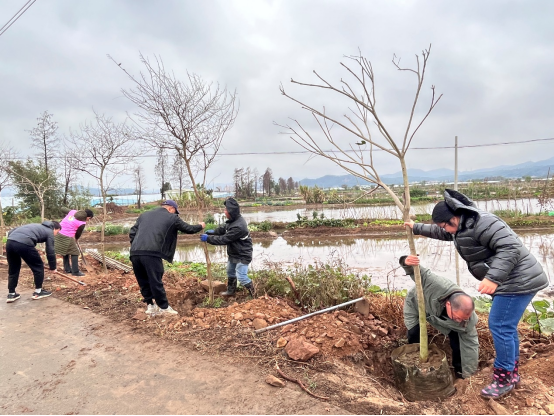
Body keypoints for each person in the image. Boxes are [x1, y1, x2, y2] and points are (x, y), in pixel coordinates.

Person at [405, 189, 548, 399]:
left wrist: (493, 279)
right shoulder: (461, 226)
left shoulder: (483, 223)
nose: (446, 230)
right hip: (512, 280)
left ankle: (503, 379)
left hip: (518, 280)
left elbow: (510, 248)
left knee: (499, 326)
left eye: (445, 225)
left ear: (454, 217)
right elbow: (444, 233)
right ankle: (512, 373)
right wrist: (416, 228)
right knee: (506, 327)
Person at [400, 254, 479, 380]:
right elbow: (417, 270)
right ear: (448, 304)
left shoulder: (466, 321)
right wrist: (406, 261)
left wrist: (468, 377)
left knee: (457, 339)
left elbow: (471, 347)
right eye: (457, 317)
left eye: (463, 319)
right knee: (414, 333)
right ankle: (414, 366)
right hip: (416, 302)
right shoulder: (435, 284)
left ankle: (459, 371)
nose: (460, 321)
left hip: (436, 313)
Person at [129, 200, 205, 316]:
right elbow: (188, 229)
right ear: (171, 209)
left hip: (134, 253)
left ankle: (150, 306)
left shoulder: (144, 215)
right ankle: (164, 307)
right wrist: (200, 226)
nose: (175, 214)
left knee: (143, 281)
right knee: (155, 280)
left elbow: (132, 232)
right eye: (175, 211)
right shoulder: (172, 217)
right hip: (152, 254)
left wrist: (137, 246)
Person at [201, 198, 254, 298]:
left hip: (243, 254)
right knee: (230, 271)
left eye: (226, 210)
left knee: (241, 277)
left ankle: (254, 294)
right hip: (234, 252)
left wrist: (209, 239)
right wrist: (214, 231)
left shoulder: (239, 226)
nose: (224, 212)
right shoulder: (233, 220)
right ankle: (231, 291)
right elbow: (224, 229)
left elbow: (224, 239)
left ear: (231, 212)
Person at [6, 220, 61, 303]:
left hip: (10, 242)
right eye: (58, 232)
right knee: (38, 266)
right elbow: (50, 251)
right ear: (55, 229)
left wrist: (16, 243)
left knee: (13, 268)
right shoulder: (50, 231)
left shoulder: (35, 226)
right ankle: (38, 292)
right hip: (24, 243)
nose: (56, 234)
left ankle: (11, 294)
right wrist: (53, 267)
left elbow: (11, 231)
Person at [55, 207, 94, 277]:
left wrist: (72, 212)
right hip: (66, 236)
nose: (88, 220)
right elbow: (78, 234)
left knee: (66, 251)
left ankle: (67, 269)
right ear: (87, 217)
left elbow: (62, 208)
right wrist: (76, 239)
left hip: (58, 233)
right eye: (89, 218)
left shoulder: (73, 212)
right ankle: (75, 271)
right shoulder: (82, 223)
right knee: (75, 252)